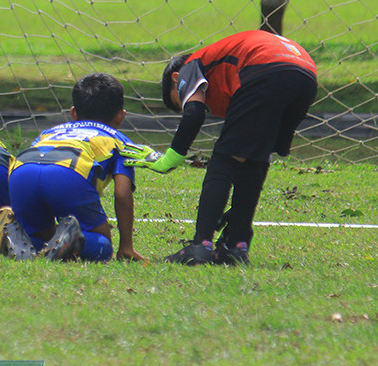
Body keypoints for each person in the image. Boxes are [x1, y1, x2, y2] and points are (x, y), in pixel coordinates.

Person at [126, 30, 317, 265]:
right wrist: (230, 214)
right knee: (255, 160)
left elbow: (194, 114)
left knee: (223, 160)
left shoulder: (190, 65)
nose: (192, 102)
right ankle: (236, 246)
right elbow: (279, 147)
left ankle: (200, 246)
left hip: (265, 67)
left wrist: (170, 159)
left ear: (176, 79)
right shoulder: (223, 69)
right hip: (306, 74)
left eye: (179, 100)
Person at [4, 72, 145, 262]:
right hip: (68, 171)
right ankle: (77, 238)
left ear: (73, 113)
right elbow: (122, 193)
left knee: (40, 237)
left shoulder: (51, 131)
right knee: (103, 245)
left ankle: (15, 238)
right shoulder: (120, 141)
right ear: (121, 116)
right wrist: (126, 246)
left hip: (22, 169)